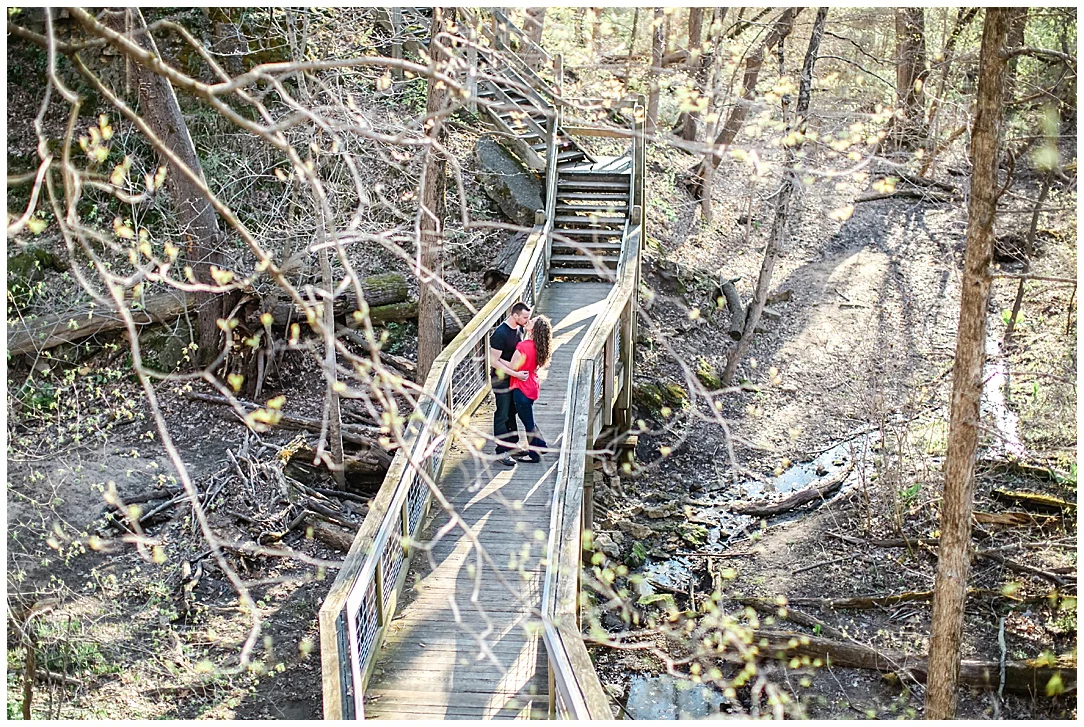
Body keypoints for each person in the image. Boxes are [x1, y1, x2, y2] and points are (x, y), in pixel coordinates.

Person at [489, 302, 531, 466]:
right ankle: (501, 451)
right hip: (501, 380)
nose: (527, 320)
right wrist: (516, 373)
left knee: (512, 412)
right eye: (525, 317)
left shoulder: (520, 328)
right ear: (515, 316)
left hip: (515, 379)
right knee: (502, 414)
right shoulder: (500, 334)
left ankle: (513, 445)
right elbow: (494, 361)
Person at [509, 315, 552, 463]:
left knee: (528, 423)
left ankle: (534, 455)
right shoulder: (540, 348)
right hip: (532, 387)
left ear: (535, 329)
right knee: (529, 420)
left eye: (532, 321)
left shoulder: (524, 346)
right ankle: (541, 445)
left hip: (521, 389)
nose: (529, 321)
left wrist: (497, 360)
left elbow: (512, 366)